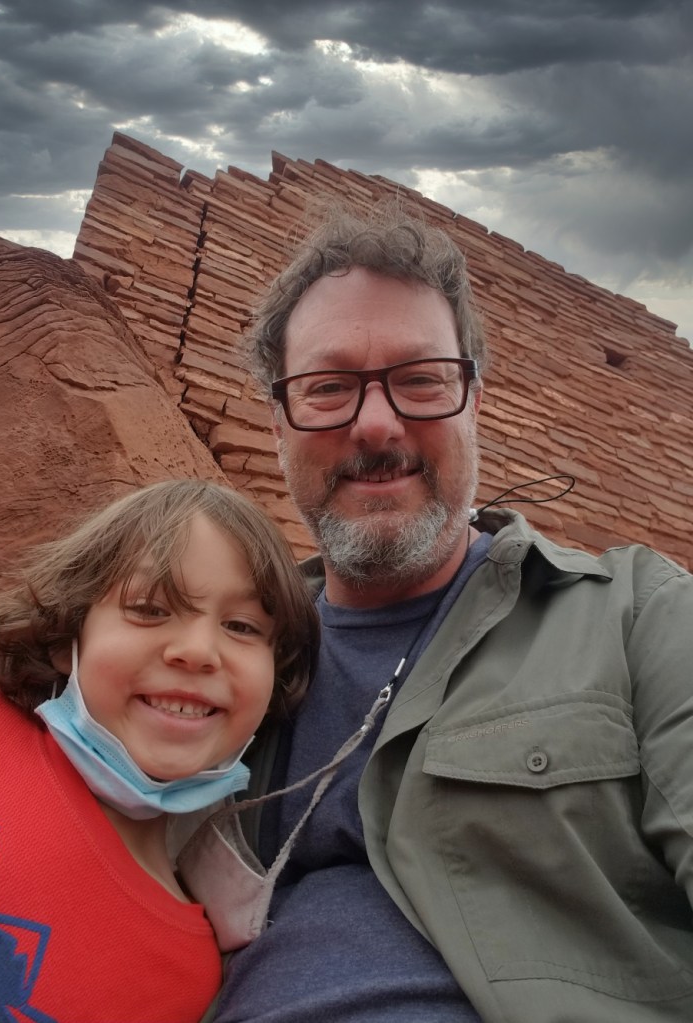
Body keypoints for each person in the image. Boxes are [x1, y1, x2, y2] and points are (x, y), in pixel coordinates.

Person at [207, 204, 693, 1023]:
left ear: (474, 402)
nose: (376, 424)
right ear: (278, 425)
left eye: (421, 379)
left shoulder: (641, 617)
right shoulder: (214, 655)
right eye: (328, 388)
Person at [0, 479, 318, 1023]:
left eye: (241, 626)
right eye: (149, 610)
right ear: (67, 637)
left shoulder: (186, 977)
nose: (197, 651)